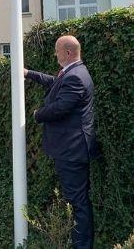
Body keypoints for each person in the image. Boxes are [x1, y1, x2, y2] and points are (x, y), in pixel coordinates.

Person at [25, 35, 98, 249]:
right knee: (77, 200)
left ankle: (82, 246)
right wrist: (29, 74)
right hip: (71, 149)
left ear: (67, 53)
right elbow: (56, 84)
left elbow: (61, 107)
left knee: (78, 202)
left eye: (57, 50)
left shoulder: (76, 76)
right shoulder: (73, 73)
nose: (55, 54)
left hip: (72, 150)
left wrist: (38, 114)